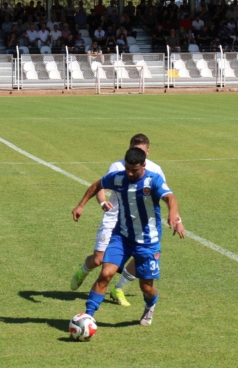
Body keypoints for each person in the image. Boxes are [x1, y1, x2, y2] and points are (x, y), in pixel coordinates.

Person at [71, 147, 184, 326]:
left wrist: (173, 214)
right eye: (128, 168)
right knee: (105, 274)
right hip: (122, 237)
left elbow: (170, 198)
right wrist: (80, 205)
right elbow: (97, 185)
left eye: (135, 170)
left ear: (144, 165)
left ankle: (150, 305)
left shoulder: (153, 180)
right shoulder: (118, 177)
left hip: (148, 243)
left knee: (146, 287)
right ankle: (88, 316)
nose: (130, 173)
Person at [70, 134, 166, 306]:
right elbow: (101, 187)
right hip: (114, 217)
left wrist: (175, 217)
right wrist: (102, 203)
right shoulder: (118, 166)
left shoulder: (155, 170)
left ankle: (119, 288)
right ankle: (83, 271)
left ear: (147, 153)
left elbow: (163, 194)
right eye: (132, 150)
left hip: (140, 225)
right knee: (99, 260)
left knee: (140, 254)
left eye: (140, 151)